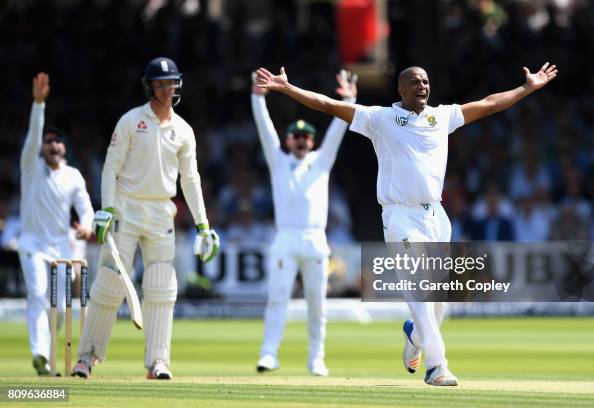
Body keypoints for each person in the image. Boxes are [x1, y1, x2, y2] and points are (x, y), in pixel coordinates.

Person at [255, 62, 557, 386]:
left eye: (426, 81)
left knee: (442, 295)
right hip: (399, 215)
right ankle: (437, 366)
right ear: (401, 89)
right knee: (418, 288)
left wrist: (526, 88)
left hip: (435, 215)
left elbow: (488, 104)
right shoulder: (380, 119)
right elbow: (328, 105)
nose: (423, 87)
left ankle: (415, 335)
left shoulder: (441, 117)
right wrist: (288, 88)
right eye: (415, 82)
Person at [72, 57, 219, 380]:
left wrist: (203, 224)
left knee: (162, 285)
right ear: (149, 86)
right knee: (110, 282)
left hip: (161, 212)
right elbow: (111, 167)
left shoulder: (183, 130)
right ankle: (86, 357)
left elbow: (190, 179)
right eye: (161, 83)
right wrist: (106, 208)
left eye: (172, 82)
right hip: (125, 208)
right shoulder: (130, 121)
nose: (168, 89)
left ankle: (158, 362)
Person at [251, 70, 357, 376]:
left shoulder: (321, 161)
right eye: (296, 136)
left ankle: (316, 358)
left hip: (314, 239)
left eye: (306, 136)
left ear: (312, 141)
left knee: (317, 304)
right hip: (285, 238)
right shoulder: (278, 160)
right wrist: (257, 98)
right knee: (278, 297)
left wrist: (349, 98)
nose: (301, 140)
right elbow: (264, 128)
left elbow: (338, 129)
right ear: (288, 140)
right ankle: (268, 353)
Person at [18, 72, 94, 375]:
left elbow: (85, 207)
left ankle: (46, 350)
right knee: (38, 295)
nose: (52, 144)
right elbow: (33, 135)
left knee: (61, 309)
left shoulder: (73, 175)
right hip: (33, 244)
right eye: (47, 141)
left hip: (61, 247)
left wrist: (87, 225)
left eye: (57, 141)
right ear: (41, 146)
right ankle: (41, 356)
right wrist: (38, 105)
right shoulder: (30, 167)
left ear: (64, 147)